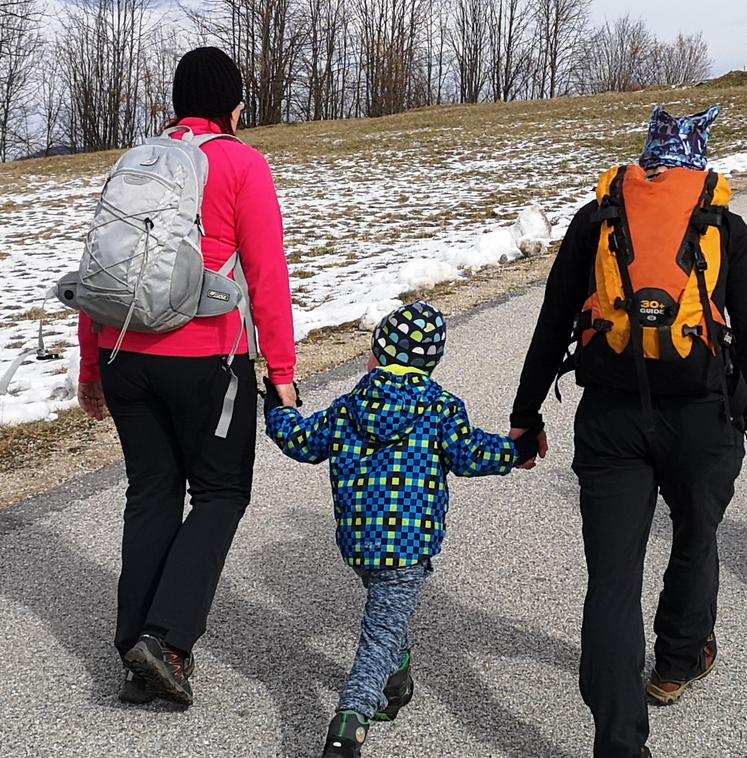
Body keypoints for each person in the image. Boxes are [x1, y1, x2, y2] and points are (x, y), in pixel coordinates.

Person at [509, 105, 747, 758]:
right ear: (699, 158)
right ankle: (676, 662)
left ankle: (620, 743)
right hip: (702, 416)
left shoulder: (598, 219)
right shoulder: (724, 224)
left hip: (611, 419)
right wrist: (736, 411)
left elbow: (553, 321)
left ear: (646, 157)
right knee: (695, 534)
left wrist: (526, 413)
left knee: (613, 582)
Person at [76, 46, 297, 706]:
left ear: (176, 103)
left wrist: (92, 367)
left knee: (152, 493)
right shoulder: (240, 163)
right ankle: (166, 642)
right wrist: (281, 373)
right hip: (207, 363)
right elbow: (266, 276)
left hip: (125, 360)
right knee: (222, 494)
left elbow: (102, 270)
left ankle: (133, 648)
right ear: (233, 107)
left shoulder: (136, 163)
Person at [264, 302, 540, 758]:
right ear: (431, 362)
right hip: (408, 547)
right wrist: (518, 450)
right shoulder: (440, 408)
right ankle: (348, 723)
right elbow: (472, 453)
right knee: (379, 636)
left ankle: (397, 683)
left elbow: (301, 441)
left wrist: (279, 407)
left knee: (389, 616)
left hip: (358, 543)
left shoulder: (349, 406)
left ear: (376, 354)